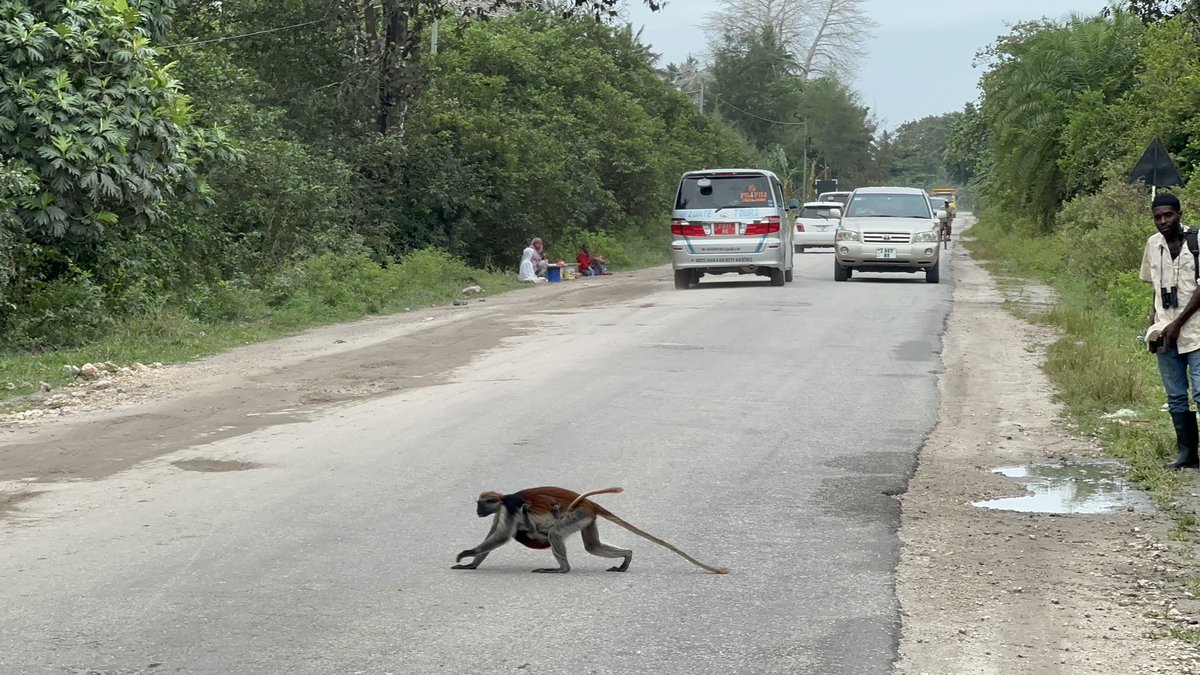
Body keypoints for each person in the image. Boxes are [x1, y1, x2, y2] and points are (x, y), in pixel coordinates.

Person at [1141, 193, 1200, 468]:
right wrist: (1153, 321)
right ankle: (1187, 454)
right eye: (1157, 217)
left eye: (1168, 215)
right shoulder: (1153, 245)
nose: (1163, 221)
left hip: (1196, 332)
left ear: (1179, 213)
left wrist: (1178, 324)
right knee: (1175, 394)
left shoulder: (1196, 241)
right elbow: (1153, 285)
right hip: (1164, 331)